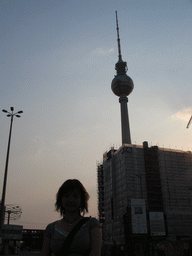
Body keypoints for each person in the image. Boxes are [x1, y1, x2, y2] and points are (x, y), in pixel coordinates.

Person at [41, 179, 102, 256]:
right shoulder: (51, 228)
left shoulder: (92, 224)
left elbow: (95, 253)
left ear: (82, 200)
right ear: (61, 199)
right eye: (66, 196)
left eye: (75, 196)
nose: (71, 200)